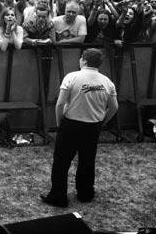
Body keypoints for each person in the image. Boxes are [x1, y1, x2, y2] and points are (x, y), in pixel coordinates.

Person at [41, 48, 118, 208]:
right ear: (99, 63)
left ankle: (58, 196)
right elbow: (114, 107)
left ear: (83, 60)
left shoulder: (72, 77)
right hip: (93, 126)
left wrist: (59, 123)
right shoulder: (107, 82)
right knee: (87, 160)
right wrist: (102, 122)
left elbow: (60, 104)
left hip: (71, 124)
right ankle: (85, 193)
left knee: (61, 162)